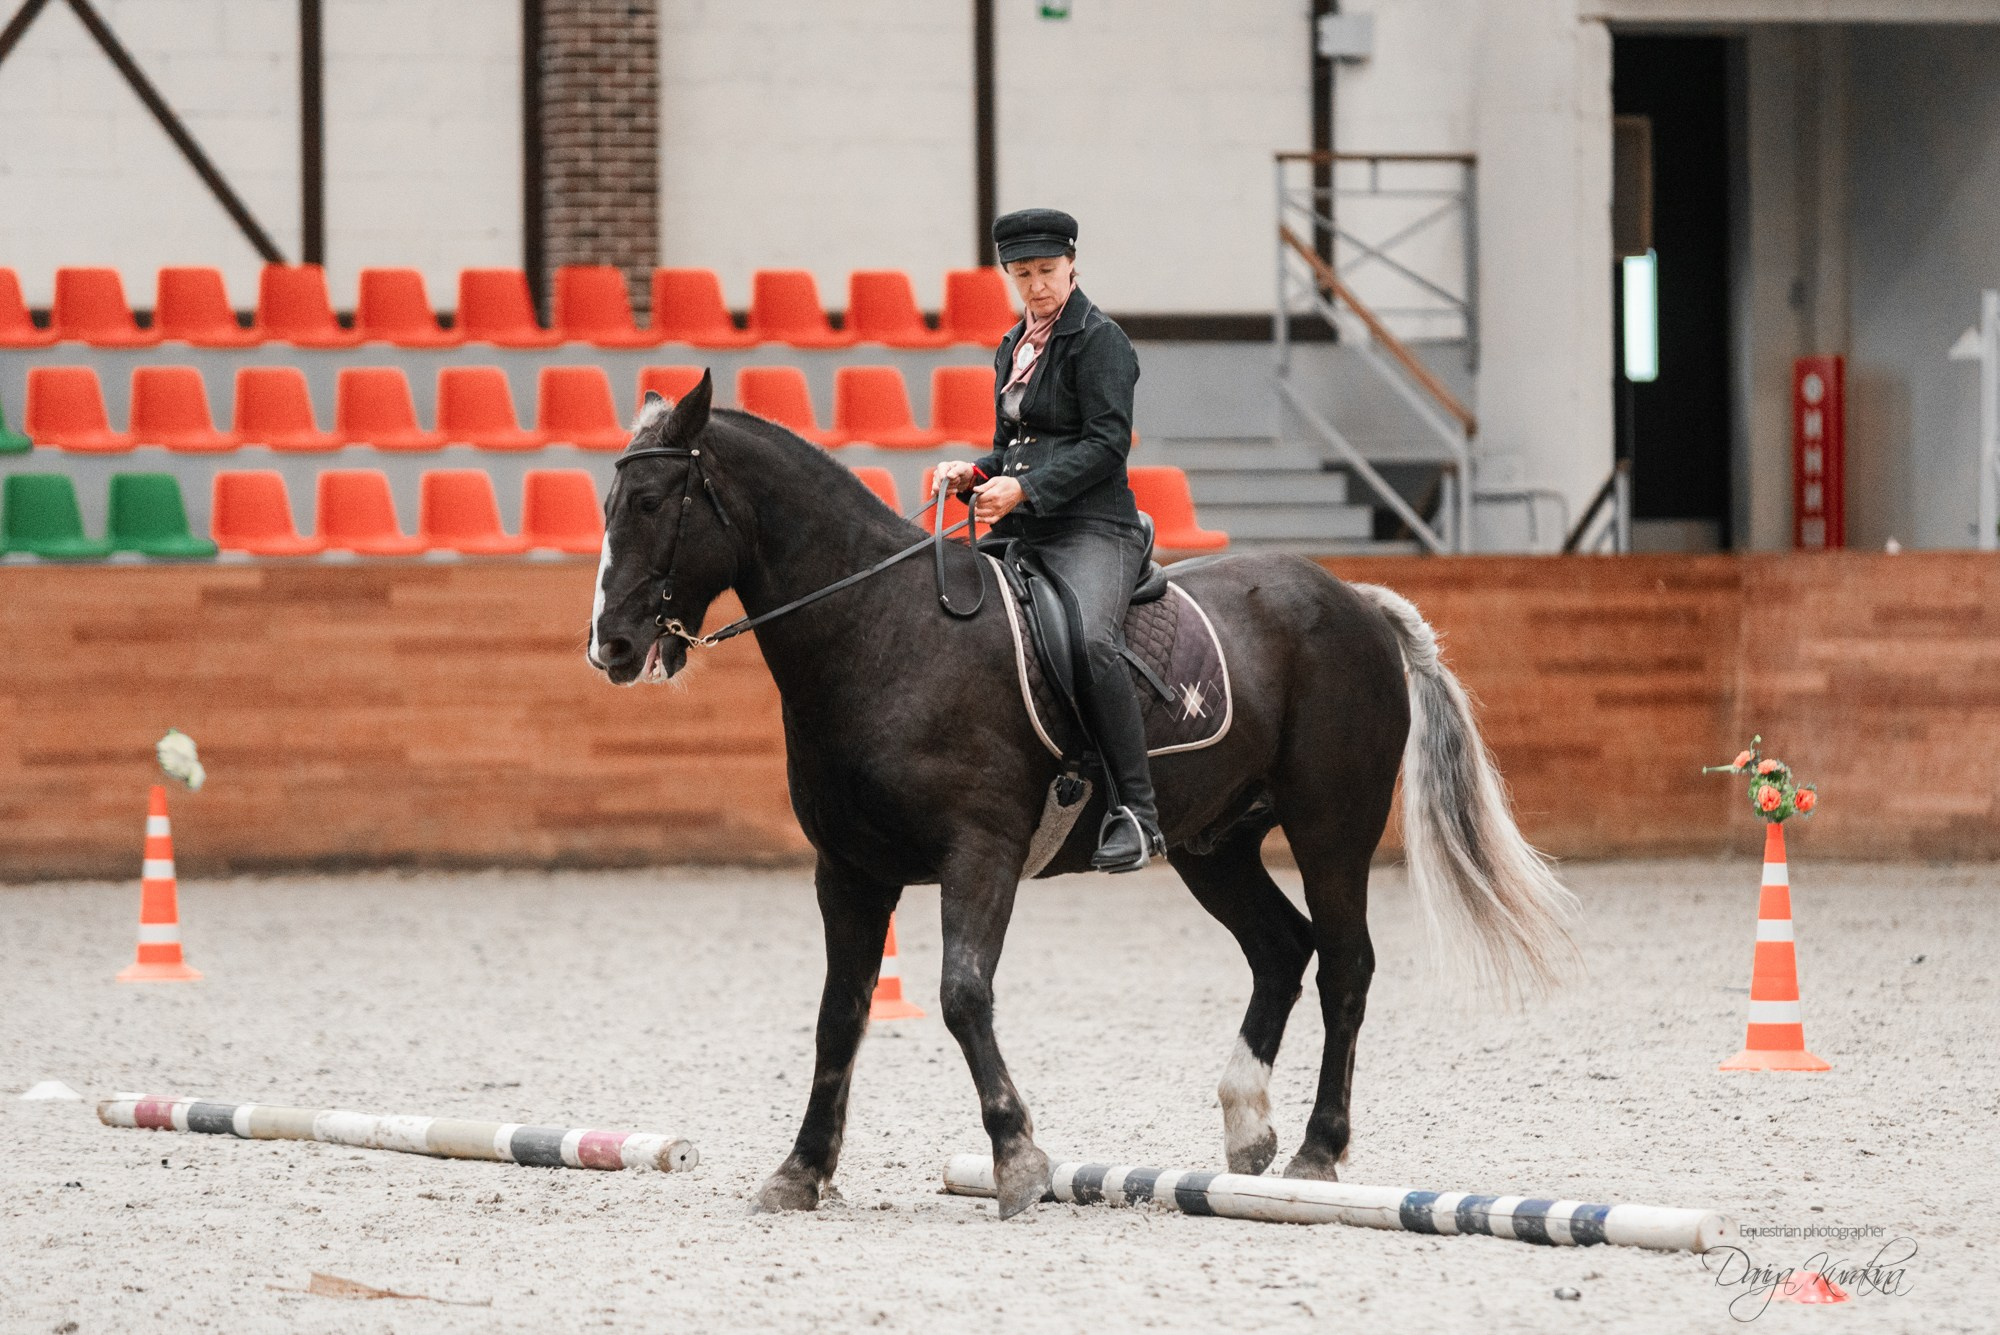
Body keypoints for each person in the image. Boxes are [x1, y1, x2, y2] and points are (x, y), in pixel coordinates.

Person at [932, 208, 1165, 873]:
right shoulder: (1014, 345)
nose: (1035, 286)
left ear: (1071, 267)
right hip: (1026, 526)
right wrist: (976, 473)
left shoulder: (1102, 341)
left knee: (1091, 641)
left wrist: (1025, 490)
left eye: (1045, 271)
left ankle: (1137, 812)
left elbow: (1107, 444)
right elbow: (1013, 447)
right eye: (1022, 274)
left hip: (1095, 526)